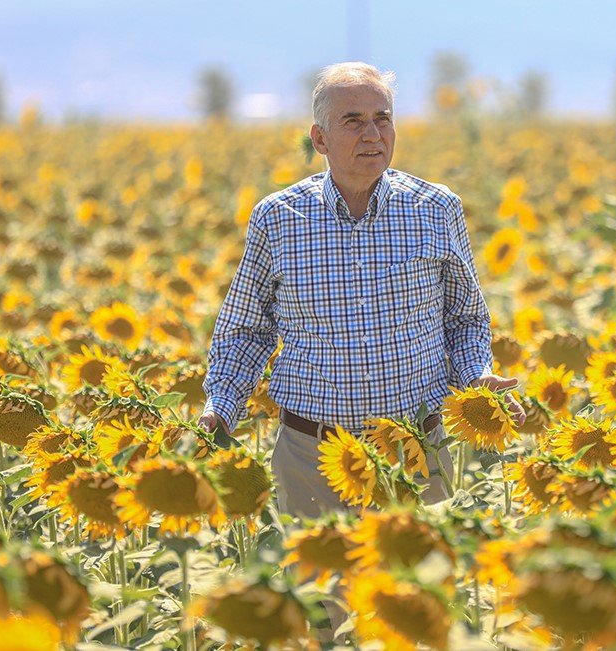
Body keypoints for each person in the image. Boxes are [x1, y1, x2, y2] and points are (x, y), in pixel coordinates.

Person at [197, 62, 525, 518]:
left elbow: (463, 318)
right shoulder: (278, 218)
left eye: (382, 118)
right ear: (320, 140)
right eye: (353, 121)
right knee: (320, 588)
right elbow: (247, 330)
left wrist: (476, 376)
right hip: (312, 455)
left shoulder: (435, 208)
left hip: (415, 450)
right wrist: (221, 408)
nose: (372, 133)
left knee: (415, 585)